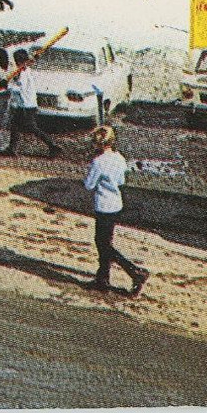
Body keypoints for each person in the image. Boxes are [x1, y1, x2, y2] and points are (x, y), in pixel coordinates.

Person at [84, 125, 149, 295]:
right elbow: (120, 181)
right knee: (105, 242)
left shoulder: (98, 162)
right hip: (116, 204)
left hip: (103, 205)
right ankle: (103, 278)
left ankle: (134, 272)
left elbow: (89, 184)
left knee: (103, 244)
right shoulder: (120, 158)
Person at [1, 49, 59, 158]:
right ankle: (12, 149)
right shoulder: (23, 71)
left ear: (20, 61)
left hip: (26, 106)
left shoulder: (23, 73)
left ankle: (53, 146)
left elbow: (19, 89)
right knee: (15, 126)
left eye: (17, 61)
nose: (16, 63)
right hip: (24, 105)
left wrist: (6, 86)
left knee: (32, 128)